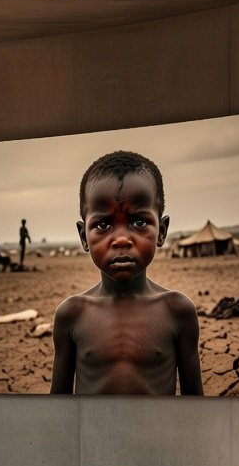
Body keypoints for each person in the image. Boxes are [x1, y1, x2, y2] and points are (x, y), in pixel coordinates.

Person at [49, 150, 202, 396]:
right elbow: (58, 407)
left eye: (139, 222)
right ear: (83, 236)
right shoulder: (72, 314)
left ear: (161, 231)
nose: (121, 239)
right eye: (103, 225)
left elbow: (195, 406)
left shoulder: (177, 310)